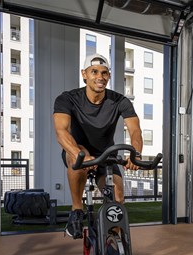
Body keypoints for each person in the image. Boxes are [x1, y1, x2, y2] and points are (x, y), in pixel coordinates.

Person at [53, 53, 143, 239]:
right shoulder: (68, 99)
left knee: (118, 199)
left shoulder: (120, 101)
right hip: (78, 151)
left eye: (104, 73)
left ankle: (112, 243)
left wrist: (136, 153)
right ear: (84, 74)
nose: (100, 77)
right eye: (94, 72)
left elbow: (135, 131)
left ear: (109, 76)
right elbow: (61, 132)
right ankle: (77, 210)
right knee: (78, 154)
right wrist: (81, 155)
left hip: (106, 155)